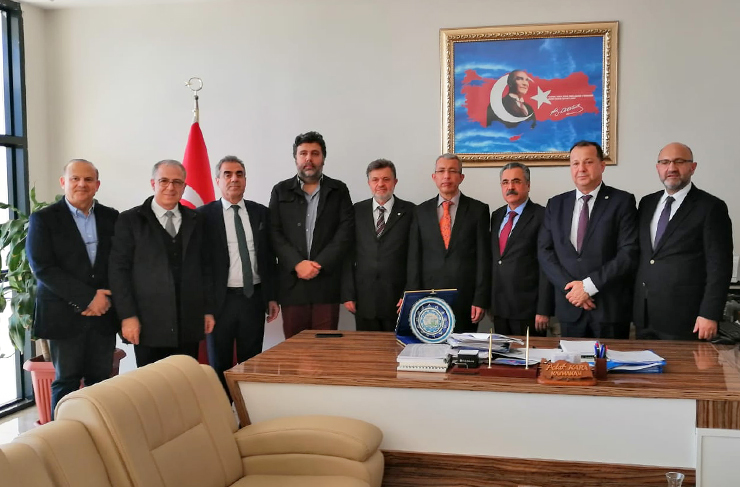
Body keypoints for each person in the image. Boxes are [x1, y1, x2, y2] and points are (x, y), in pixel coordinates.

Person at [26, 159, 119, 417]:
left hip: (103, 314)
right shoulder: (44, 219)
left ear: (97, 185)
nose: (81, 184)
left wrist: (104, 299)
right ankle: (62, 436)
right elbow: (43, 267)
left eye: (88, 179)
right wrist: (88, 298)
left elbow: (120, 263)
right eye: (75, 178)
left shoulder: (112, 217)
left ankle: (100, 433)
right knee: (66, 381)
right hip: (63, 315)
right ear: (63, 182)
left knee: (101, 381)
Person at [109, 160, 214, 367]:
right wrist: (127, 316)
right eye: (164, 181)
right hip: (147, 325)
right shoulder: (130, 220)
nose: (170, 187)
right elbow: (118, 272)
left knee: (185, 380)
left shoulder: (197, 220)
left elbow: (206, 268)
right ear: (153, 183)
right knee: (151, 383)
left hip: (188, 322)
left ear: (184, 186)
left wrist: (208, 309)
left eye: (177, 182)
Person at [633, 142, 733, 340]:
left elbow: (720, 266)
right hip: (645, 316)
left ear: (692, 167)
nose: (671, 168)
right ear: (658, 168)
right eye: (665, 162)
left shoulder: (711, 207)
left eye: (679, 161)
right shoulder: (647, 203)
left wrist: (709, 313)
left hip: (686, 318)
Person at [538, 141, 638, 338]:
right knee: (571, 359)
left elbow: (628, 252)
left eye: (588, 162)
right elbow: (545, 252)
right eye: (575, 163)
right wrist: (572, 290)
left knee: (610, 359)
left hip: (609, 308)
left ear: (602, 166)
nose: (581, 168)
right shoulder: (556, 204)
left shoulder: (622, 201)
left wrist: (588, 286)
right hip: (570, 307)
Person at [198, 156, 279, 391]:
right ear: (217, 180)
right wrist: (205, 307)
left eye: (239, 174)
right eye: (228, 174)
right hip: (219, 303)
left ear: (245, 179)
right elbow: (199, 265)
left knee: (252, 362)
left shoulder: (261, 213)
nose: (234, 179)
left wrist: (272, 296)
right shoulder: (202, 216)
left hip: (253, 298)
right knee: (219, 364)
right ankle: (223, 410)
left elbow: (269, 258)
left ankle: (248, 409)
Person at [269, 131, 354, 338]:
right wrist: (297, 264)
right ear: (295, 158)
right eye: (303, 153)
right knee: (295, 349)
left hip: (326, 284)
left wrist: (319, 264)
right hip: (292, 285)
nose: (309, 158)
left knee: (324, 349)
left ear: (323, 158)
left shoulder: (339, 190)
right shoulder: (280, 191)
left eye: (315, 153)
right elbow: (274, 232)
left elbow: (345, 232)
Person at [406, 153, 491, 332]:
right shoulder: (420, 211)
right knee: (429, 347)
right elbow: (414, 258)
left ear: (461, 177)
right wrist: (413, 297)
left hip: (465, 298)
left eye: (452, 171)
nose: (446, 176)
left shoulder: (478, 210)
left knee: (463, 347)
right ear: (434, 177)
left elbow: (483, 258)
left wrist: (480, 299)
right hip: (428, 299)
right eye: (442, 171)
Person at [341, 159, 414, 332]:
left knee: (397, 347)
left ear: (395, 182)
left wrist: (410, 293)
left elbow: (415, 257)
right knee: (367, 347)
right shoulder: (356, 211)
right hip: (364, 299)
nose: (380, 184)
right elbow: (347, 255)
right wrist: (348, 293)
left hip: (398, 300)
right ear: (369, 183)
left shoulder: (411, 211)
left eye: (386, 179)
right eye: (375, 179)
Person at [490, 162, 553, 336]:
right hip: (499, 308)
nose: (510, 187)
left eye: (516, 181)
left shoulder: (542, 215)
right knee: (500, 354)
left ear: (528, 185)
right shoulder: (496, 216)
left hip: (529, 310)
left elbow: (547, 266)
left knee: (528, 354)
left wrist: (544, 308)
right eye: (505, 182)